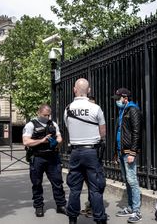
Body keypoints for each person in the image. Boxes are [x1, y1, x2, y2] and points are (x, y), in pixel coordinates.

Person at [64, 78, 107, 224]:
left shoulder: (68, 108)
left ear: (74, 90)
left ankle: (72, 219)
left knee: (75, 188)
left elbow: (68, 127)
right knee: (95, 188)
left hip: (75, 152)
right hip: (91, 152)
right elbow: (103, 132)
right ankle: (100, 219)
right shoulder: (96, 108)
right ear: (89, 91)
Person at [22, 104, 67, 218]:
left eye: (48, 115)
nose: (47, 117)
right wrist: (42, 141)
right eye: (44, 115)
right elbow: (26, 142)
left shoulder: (53, 124)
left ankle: (61, 205)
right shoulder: (31, 125)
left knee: (57, 182)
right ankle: (38, 206)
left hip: (52, 157)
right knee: (37, 183)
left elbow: (59, 137)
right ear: (39, 113)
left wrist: (57, 142)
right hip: (37, 157)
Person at [112, 88, 144, 223]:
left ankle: (137, 211)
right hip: (121, 151)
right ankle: (131, 207)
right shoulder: (122, 111)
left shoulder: (133, 110)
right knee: (127, 181)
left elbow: (137, 132)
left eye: (118, 98)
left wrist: (133, 152)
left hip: (128, 152)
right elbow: (119, 132)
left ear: (125, 98)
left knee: (132, 180)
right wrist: (116, 152)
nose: (116, 101)